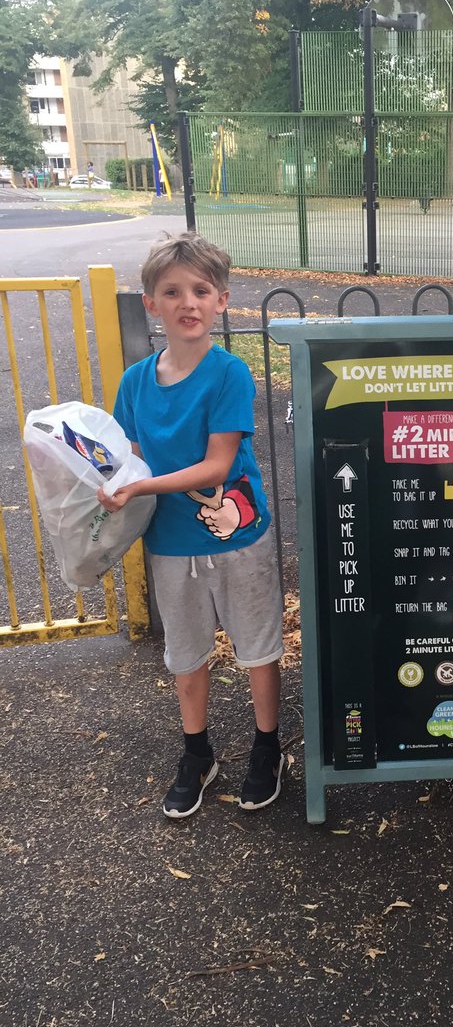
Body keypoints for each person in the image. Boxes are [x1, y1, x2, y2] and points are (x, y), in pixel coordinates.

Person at [97, 233, 285, 820]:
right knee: (186, 653)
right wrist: (106, 481)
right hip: (172, 541)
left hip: (237, 537)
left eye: (201, 290)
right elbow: (128, 454)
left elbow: (218, 465)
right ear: (151, 303)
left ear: (222, 300)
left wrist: (137, 486)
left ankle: (267, 746)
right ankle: (197, 752)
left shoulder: (228, 373)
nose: (188, 302)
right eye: (172, 291)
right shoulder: (135, 381)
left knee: (257, 647)